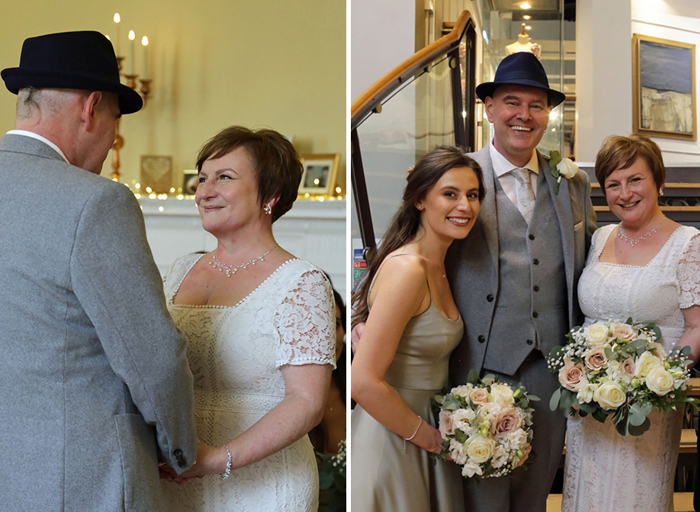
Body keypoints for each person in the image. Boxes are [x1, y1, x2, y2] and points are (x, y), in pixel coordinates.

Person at [0, 31, 197, 511]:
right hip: (83, 480)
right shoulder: (96, 202)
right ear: (91, 108)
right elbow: (153, 359)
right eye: (116, 118)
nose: (112, 139)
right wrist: (182, 451)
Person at [444, 51, 597, 511]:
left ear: (547, 115)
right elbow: (413, 253)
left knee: (535, 496)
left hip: (553, 373)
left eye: (536, 105)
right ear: (489, 108)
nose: (523, 115)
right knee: (483, 497)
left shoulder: (571, 182)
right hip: (479, 366)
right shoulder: (454, 174)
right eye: (512, 102)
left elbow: (593, 264)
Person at [158, 126, 336, 511]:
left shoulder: (301, 282)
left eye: (224, 177)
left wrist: (216, 459)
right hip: (177, 478)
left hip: (262, 484)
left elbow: (307, 401)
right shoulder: (179, 272)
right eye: (202, 178)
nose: (204, 191)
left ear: (270, 194)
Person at [561, 134, 700, 512]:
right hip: (590, 405)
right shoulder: (601, 237)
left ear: (660, 182)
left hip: (648, 410)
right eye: (613, 184)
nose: (625, 193)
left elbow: (697, 327)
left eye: (635, 180)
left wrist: (659, 382)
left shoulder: (688, 243)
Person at [351, 145, 485, 511]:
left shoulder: (443, 263)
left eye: (472, 195)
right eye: (450, 194)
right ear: (420, 200)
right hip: (392, 437)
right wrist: (428, 438)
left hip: (426, 426)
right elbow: (362, 382)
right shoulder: (408, 269)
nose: (465, 206)